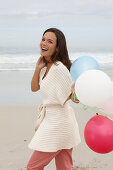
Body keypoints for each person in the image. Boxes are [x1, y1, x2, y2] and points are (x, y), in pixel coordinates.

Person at [27, 28, 81, 170]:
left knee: (33, 167)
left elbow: (73, 98)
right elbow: (34, 88)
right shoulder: (45, 66)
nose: (44, 43)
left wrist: (76, 89)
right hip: (55, 121)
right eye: (43, 39)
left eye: (50, 41)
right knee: (64, 167)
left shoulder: (59, 68)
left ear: (57, 48)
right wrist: (38, 68)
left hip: (59, 123)